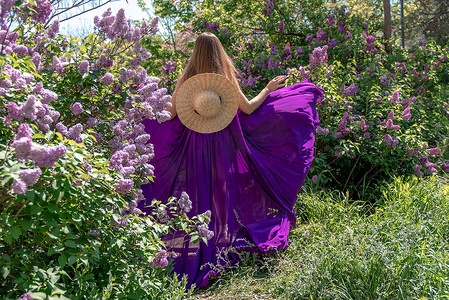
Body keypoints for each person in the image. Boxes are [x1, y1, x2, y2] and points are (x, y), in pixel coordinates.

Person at [138, 32, 323, 288]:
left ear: (195, 53)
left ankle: (201, 240)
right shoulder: (224, 80)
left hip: (195, 144)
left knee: (199, 190)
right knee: (222, 189)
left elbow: (169, 115)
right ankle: (222, 239)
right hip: (224, 142)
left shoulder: (187, 79)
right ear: (218, 51)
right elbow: (248, 108)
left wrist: (143, 111)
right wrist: (267, 90)